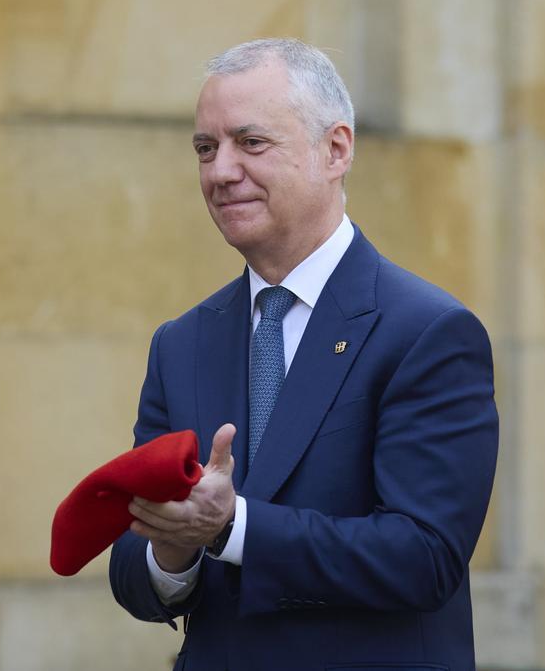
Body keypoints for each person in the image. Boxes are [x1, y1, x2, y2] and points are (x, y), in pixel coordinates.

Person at [108, 39, 498, 671]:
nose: (220, 171)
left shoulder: (427, 332)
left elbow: (424, 557)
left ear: (336, 149)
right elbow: (132, 568)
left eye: (251, 143)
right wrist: (173, 549)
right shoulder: (181, 344)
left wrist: (231, 527)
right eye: (206, 149)